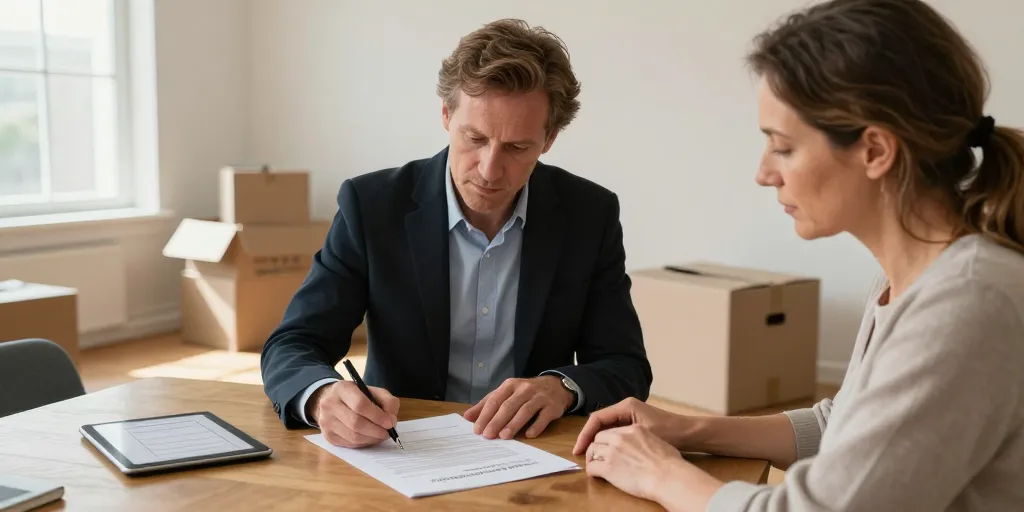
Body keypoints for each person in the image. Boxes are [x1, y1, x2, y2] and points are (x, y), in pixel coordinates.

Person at [573, 0, 1024, 510]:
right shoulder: (911, 278)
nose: (764, 173)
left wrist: (662, 475)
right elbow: (847, 425)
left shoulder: (966, 303)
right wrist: (688, 427)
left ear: (875, 151)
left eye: (783, 147)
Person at [260, 19, 652, 449]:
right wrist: (321, 397)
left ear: (549, 139)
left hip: (532, 452)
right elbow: (293, 343)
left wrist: (562, 387)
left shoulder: (588, 214)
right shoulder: (372, 206)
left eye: (517, 148)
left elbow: (625, 365)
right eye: (475, 138)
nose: (489, 169)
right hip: (402, 448)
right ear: (446, 116)